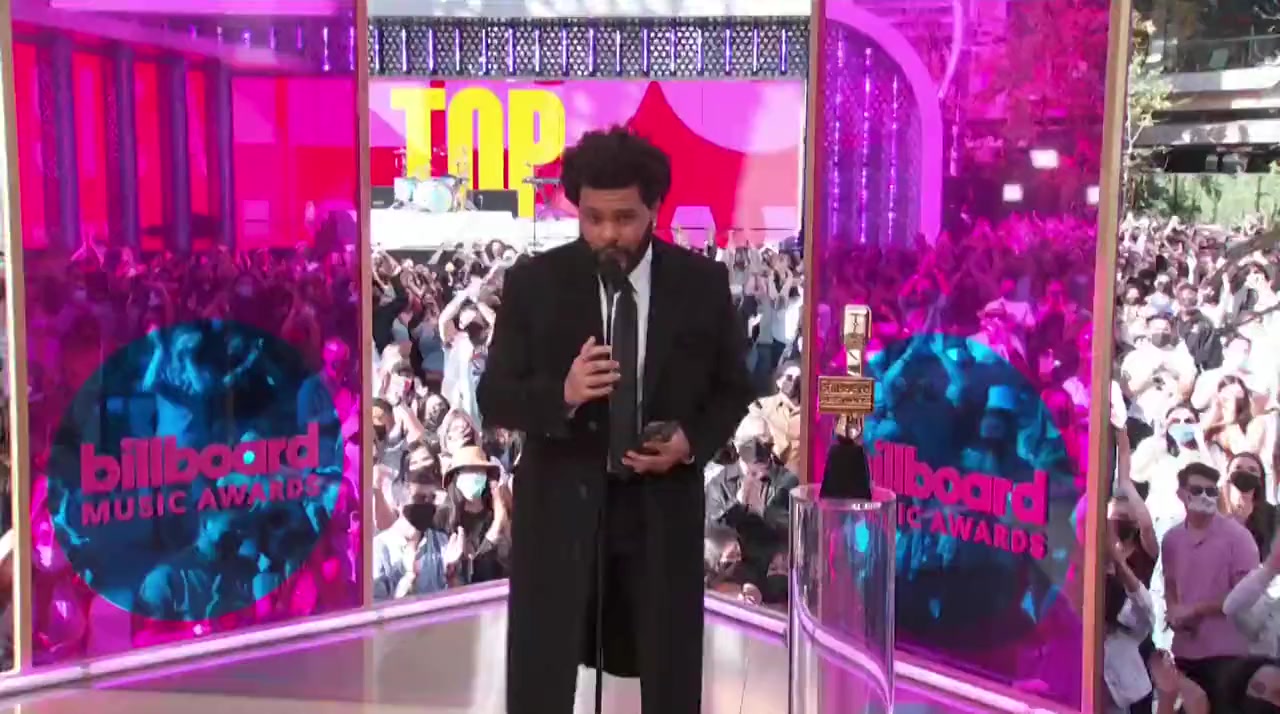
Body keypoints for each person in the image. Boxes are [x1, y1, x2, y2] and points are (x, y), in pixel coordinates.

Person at [477, 126, 752, 714]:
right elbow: (494, 396)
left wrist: (690, 441)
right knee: (542, 673)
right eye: (593, 217)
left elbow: (734, 387)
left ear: (655, 207)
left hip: (660, 513)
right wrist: (563, 394)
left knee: (670, 675)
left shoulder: (701, 285)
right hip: (560, 513)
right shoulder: (534, 284)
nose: (608, 234)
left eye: (624, 218)